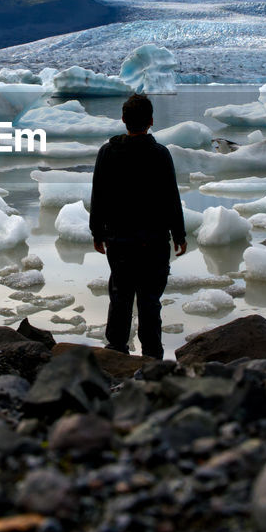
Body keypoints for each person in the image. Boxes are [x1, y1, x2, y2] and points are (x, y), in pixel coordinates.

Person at [90, 93, 187, 359]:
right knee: (149, 301)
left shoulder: (108, 153)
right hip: (154, 241)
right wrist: (179, 234)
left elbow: (99, 194)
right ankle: (152, 356)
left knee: (120, 296)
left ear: (123, 120)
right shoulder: (160, 154)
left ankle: (116, 351)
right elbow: (171, 197)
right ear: (151, 121)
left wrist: (97, 232)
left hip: (119, 241)